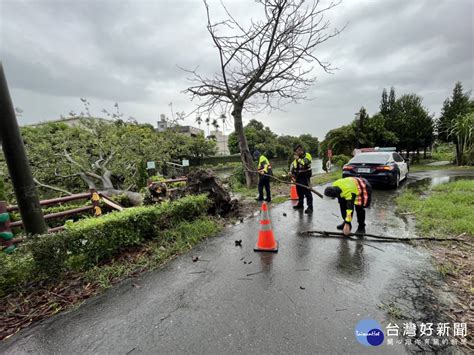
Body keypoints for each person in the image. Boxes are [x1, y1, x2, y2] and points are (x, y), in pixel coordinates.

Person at [290, 144, 313, 214]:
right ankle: (300, 204)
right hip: (299, 177)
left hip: (305, 177)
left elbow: (304, 163)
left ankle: (310, 207)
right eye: (295, 152)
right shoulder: (296, 160)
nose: (296, 153)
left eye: (297, 152)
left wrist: (298, 159)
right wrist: (291, 173)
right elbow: (294, 167)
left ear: (301, 150)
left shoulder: (307, 155)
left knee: (307, 192)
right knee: (299, 192)